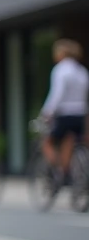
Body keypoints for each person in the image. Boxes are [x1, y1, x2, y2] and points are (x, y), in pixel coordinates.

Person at [40, 39, 89, 185]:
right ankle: (67, 171)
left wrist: (47, 112)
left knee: (47, 142)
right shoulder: (82, 71)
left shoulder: (60, 70)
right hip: (80, 114)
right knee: (70, 140)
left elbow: (57, 94)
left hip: (65, 114)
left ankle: (60, 170)